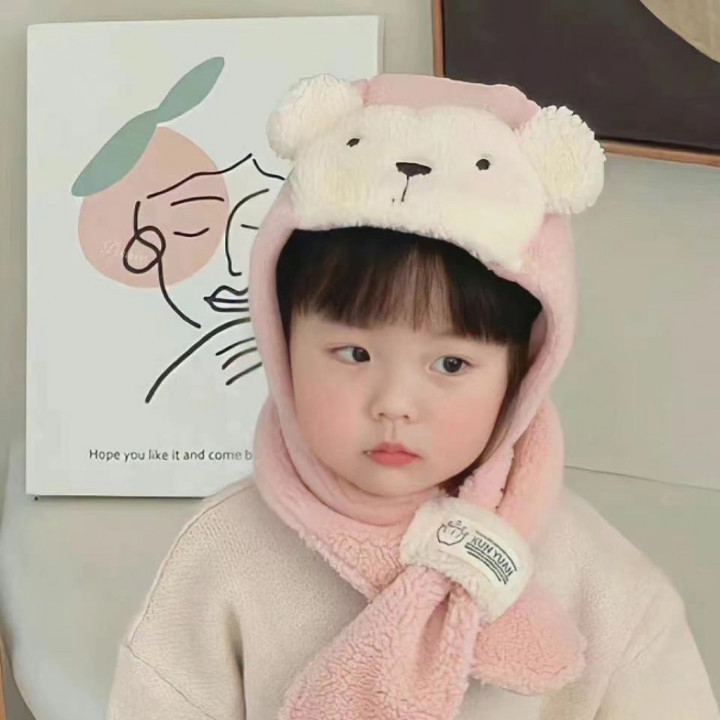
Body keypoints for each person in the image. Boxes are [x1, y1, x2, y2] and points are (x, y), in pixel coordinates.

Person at [106, 73, 719, 719]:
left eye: (451, 364)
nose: (394, 403)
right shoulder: (221, 554)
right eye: (354, 354)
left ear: (521, 374)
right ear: (283, 343)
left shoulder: (600, 581)